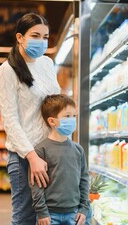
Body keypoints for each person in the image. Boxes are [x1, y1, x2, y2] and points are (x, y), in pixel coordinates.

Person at [0, 13, 61, 225]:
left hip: (50, 153)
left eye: (45, 37)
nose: (41, 41)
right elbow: (10, 120)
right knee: (25, 216)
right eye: (35, 35)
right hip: (25, 157)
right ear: (20, 37)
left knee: (49, 216)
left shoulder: (47, 64)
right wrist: (32, 157)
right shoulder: (7, 71)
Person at [31, 94, 90, 225]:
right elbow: (36, 185)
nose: (73, 120)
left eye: (74, 116)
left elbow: (84, 180)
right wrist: (42, 212)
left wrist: (84, 208)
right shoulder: (41, 150)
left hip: (75, 214)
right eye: (67, 116)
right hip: (50, 215)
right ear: (52, 121)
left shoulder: (78, 149)